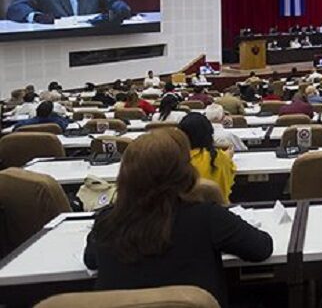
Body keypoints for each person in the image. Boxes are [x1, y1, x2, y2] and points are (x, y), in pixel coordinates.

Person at [83, 128, 271, 307]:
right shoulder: (205, 216)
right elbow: (261, 247)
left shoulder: (106, 221)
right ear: (183, 172)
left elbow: (90, 260)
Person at [178, 114, 237, 203]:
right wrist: (227, 156)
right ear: (210, 133)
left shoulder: (177, 161)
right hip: (220, 210)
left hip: (185, 211)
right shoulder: (219, 157)